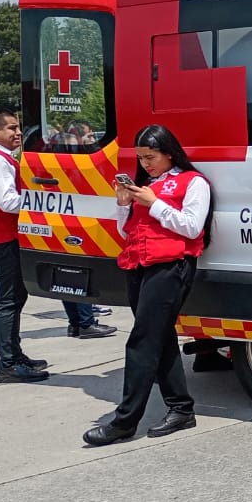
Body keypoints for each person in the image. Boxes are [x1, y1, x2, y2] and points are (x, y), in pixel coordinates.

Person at [83, 125, 212, 446]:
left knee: (142, 342)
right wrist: (125, 203)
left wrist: (155, 203)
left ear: (169, 152)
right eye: (140, 158)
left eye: (151, 157)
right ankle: (181, 408)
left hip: (170, 266)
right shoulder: (147, 184)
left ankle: (125, 420)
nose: (145, 164)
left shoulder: (193, 182)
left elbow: (193, 227)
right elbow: (128, 232)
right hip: (139, 266)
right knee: (160, 337)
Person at [0, 109, 49, 383]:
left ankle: (15, 354)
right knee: (8, 300)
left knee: (15, 298)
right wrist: (40, 203)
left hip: (3, 236)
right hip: (3, 238)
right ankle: (9, 363)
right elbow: (7, 201)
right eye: (12, 128)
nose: (18, 133)